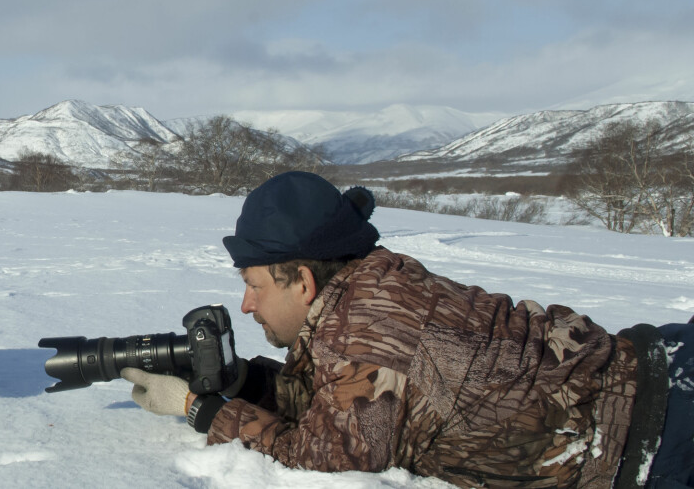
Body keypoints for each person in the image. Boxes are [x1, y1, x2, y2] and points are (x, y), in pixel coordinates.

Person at [122, 171, 693, 489]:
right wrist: (245, 380)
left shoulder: (366, 328)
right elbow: (344, 395)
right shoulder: (366, 289)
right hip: (654, 371)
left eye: (255, 284)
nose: (245, 305)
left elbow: (321, 459)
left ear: (301, 280)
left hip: (657, 434)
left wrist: (199, 410)